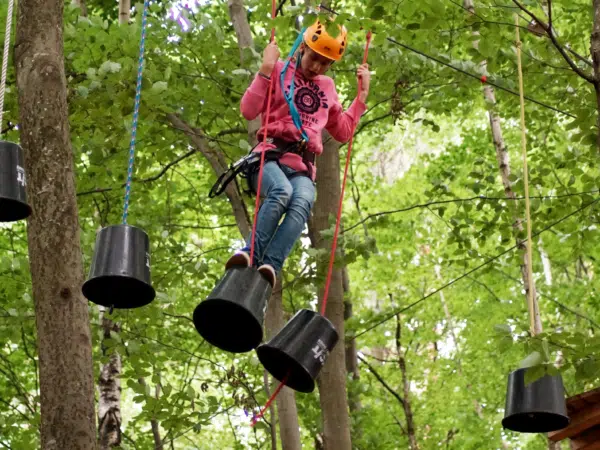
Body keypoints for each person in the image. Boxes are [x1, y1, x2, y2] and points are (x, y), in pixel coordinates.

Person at [225, 19, 371, 287]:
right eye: (314, 58)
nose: (317, 67)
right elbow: (248, 110)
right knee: (282, 192)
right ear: (303, 47)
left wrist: (360, 99)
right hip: (269, 157)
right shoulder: (279, 72)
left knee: (302, 202)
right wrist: (266, 69)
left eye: (325, 63)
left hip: (303, 166)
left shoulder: (327, 87)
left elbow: (343, 131)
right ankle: (249, 254)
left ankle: (270, 265)